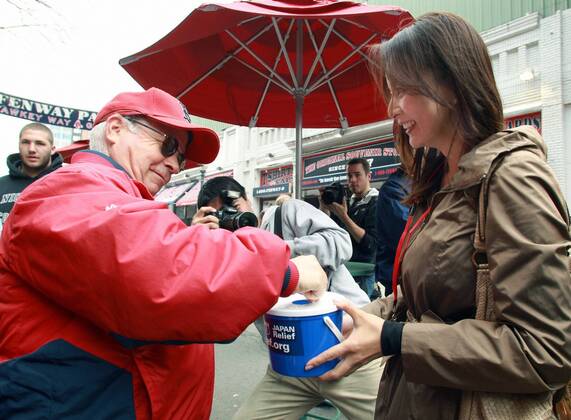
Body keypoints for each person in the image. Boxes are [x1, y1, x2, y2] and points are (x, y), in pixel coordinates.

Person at [0, 87, 327, 419]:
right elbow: (162, 275)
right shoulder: (68, 188)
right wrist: (285, 272)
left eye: (181, 157)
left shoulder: (114, 197)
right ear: (115, 129)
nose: (174, 163)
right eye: (168, 144)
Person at [306, 12, 571, 419]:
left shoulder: (513, 176)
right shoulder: (440, 178)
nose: (392, 108)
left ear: (450, 82)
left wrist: (394, 339)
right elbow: (424, 299)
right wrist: (351, 316)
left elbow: (545, 349)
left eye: (402, 91)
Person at [192, 177, 380, 419]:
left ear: (248, 200)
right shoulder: (225, 256)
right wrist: (197, 247)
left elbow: (341, 243)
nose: (232, 218)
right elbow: (213, 323)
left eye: (235, 207)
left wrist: (272, 254)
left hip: (348, 352)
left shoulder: (288, 212)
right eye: (222, 215)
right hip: (291, 367)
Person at [320, 157, 379, 299]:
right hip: (343, 271)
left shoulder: (377, 202)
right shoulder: (346, 203)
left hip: (363, 273)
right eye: (349, 175)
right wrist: (324, 207)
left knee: (361, 315)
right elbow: (331, 232)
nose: (352, 180)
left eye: (357, 175)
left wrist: (343, 216)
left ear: (368, 176)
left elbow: (370, 244)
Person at [0, 122, 63, 232]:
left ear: (52, 149)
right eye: (25, 142)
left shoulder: (67, 184)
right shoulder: (2, 185)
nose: (32, 149)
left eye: (40, 143)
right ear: (19, 145)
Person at [374, 165, 410, 296]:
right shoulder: (394, 189)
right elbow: (406, 237)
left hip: (403, 272)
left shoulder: (400, 187)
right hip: (399, 275)